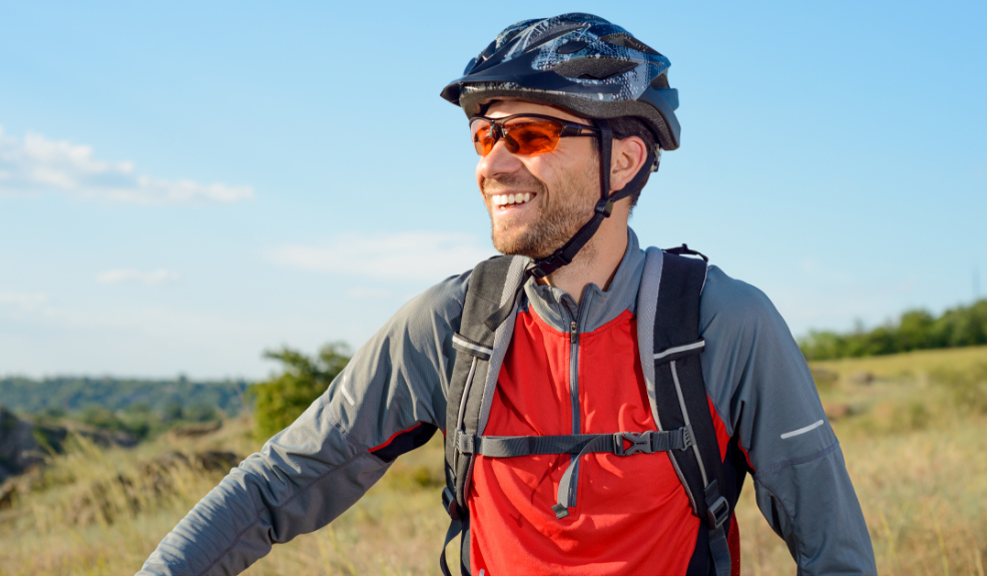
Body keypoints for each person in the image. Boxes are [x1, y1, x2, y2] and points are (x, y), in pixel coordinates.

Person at [137, 13, 876, 576]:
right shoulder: (453, 326)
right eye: (482, 139)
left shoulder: (722, 324)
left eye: (526, 135)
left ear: (622, 160)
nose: (493, 164)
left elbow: (831, 547)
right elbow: (280, 483)